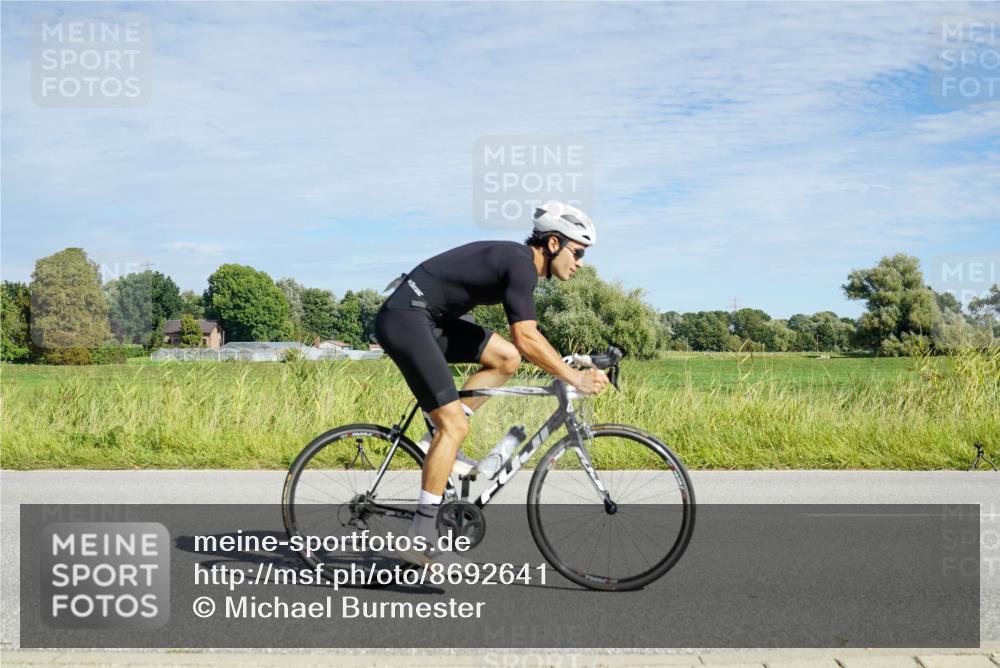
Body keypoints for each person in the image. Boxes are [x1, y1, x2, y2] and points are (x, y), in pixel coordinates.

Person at [373, 201, 609, 564]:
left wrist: (570, 360)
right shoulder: (520, 264)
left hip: (430, 320)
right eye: (577, 253)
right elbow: (527, 337)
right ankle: (419, 537)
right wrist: (575, 377)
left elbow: (521, 346)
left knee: (505, 359)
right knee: (453, 427)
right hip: (407, 319)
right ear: (552, 244)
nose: (580, 263)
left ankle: (434, 436)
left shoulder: (520, 266)